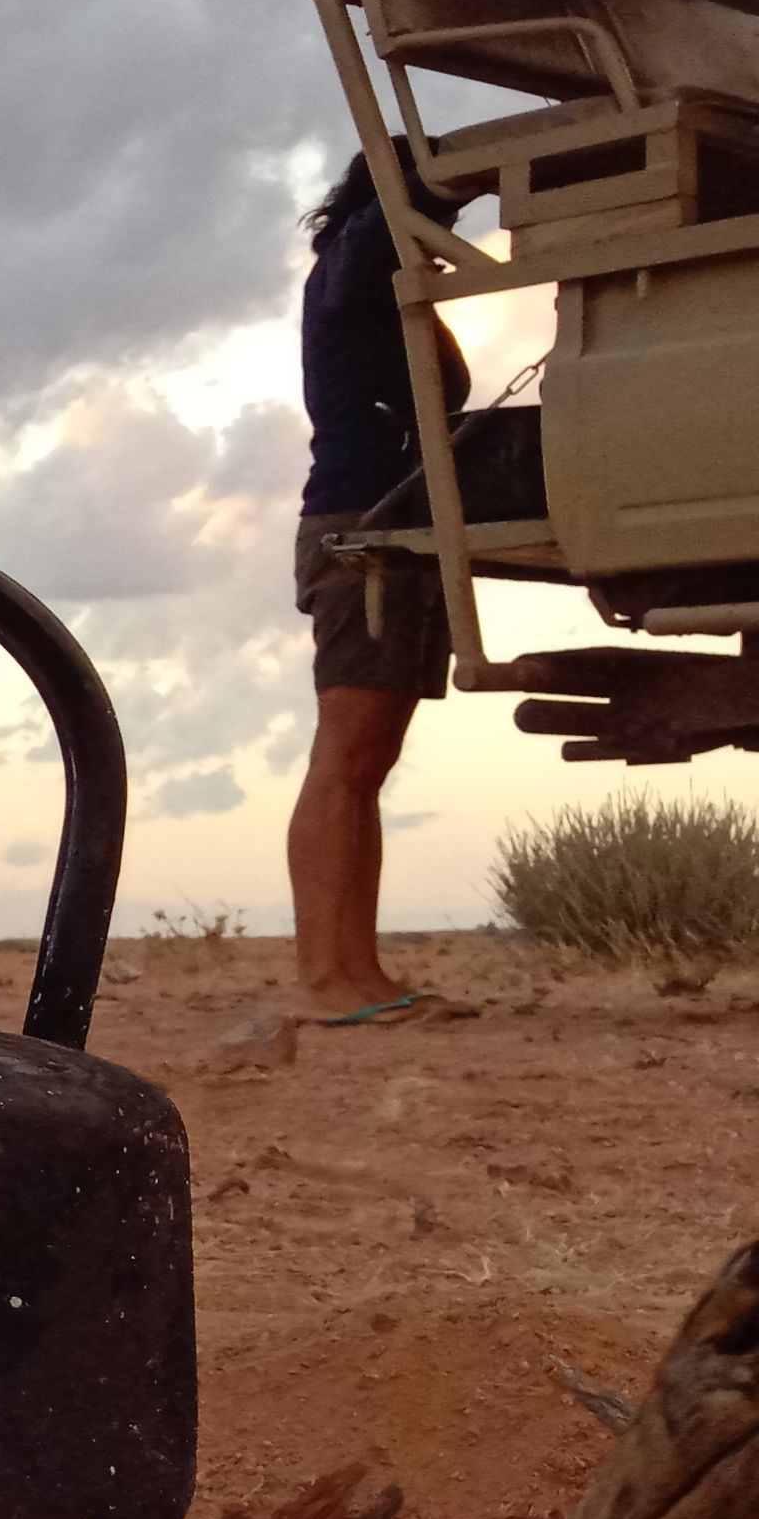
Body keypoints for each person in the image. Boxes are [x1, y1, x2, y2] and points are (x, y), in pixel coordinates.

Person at [288, 152, 474, 1026]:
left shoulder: (382, 282)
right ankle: (327, 980)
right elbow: (425, 194)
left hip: (397, 526)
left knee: (369, 763)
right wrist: (461, 171)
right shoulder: (355, 261)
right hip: (362, 530)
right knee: (346, 757)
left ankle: (359, 974)